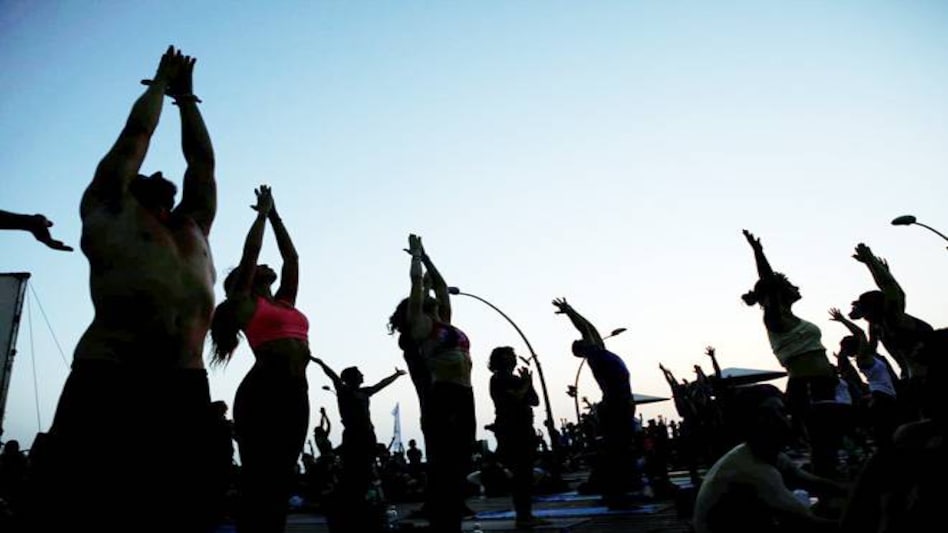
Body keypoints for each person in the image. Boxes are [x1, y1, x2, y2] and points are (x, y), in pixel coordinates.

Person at [33, 46, 217, 533]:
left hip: (182, 385)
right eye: (150, 173)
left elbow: (201, 164)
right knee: (86, 507)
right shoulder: (109, 206)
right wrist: (159, 83)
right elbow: (137, 135)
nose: (160, 174)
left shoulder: (192, 226)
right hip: (110, 375)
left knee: (177, 510)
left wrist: (187, 99)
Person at [209, 185, 310, 533]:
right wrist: (261, 216)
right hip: (264, 391)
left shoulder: (284, 301)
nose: (266, 265)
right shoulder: (246, 303)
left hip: (297, 391)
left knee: (283, 473)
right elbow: (251, 251)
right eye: (257, 267)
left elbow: (291, 259)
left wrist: (277, 216)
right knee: (259, 476)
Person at [389, 234, 475, 533]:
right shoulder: (423, 325)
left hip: (466, 391)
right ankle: (444, 514)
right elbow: (418, 286)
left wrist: (427, 256)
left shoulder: (446, 319)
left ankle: (450, 507)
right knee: (448, 457)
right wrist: (414, 258)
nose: (433, 294)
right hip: (445, 392)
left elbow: (439, 284)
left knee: (464, 454)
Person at [741, 230, 840, 478]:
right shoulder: (775, 316)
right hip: (808, 384)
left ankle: (827, 483)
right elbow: (769, 282)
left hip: (822, 381)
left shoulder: (792, 317)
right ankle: (825, 491)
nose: (795, 287)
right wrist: (759, 252)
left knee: (828, 441)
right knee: (821, 440)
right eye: (789, 285)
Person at [692, 385, 846, 533]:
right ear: (752, 422)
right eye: (769, 414)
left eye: (781, 411)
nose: (781, 419)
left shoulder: (764, 455)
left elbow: (813, 483)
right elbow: (808, 522)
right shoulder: (755, 471)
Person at [553, 297, 639, 508]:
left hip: (622, 404)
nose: (590, 338)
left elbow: (590, 327)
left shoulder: (600, 351)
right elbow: (585, 328)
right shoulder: (595, 356)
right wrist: (570, 312)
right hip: (615, 405)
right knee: (617, 449)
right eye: (584, 341)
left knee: (623, 449)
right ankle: (615, 492)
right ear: (582, 350)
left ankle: (623, 489)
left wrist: (571, 310)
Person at [312, 358, 405, 531]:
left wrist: (396, 375)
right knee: (355, 470)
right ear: (352, 378)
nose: (362, 376)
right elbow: (333, 376)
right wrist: (320, 363)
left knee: (368, 468)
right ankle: (354, 506)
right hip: (354, 436)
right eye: (359, 374)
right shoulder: (343, 391)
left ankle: (369, 504)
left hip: (367, 435)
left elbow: (382, 384)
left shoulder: (365, 392)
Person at [487, 346, 549, 529]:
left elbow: (534, 401)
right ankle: (523, 516)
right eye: (508, 356)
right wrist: (527, 383)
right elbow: (516, 397)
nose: (512, 359)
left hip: (524, 427)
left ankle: (526, 514)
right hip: (511, 429)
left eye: (513, 356)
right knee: (521, 473)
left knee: (526, 473)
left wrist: (528, 383)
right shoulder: (498, 379)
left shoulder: (516, 379)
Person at [0, 210, 72, 251]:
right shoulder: (38, 221)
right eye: (48, 224)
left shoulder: (37, 223)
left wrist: (49, 242)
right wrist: (49, 242)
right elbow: (38, 224)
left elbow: (40, 232)